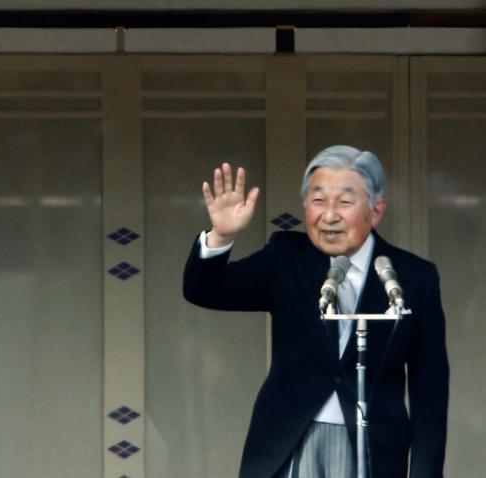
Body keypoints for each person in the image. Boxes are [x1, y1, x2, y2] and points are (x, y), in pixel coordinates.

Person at [183, 145, 448, 478]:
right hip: (291, 441)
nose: (329, 215)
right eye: (318, 201)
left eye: (345, 202)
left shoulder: (412, 277)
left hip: (372, 447)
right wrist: (221, 236)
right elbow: (204, 290)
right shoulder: (286, 258)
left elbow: (430, 394)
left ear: (376, 210)